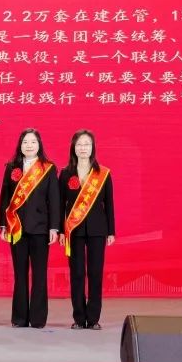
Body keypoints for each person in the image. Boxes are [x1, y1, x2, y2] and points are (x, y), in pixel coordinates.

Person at [0, 128, 60, 329]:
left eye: (33, 142)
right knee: (20, 274)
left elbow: (54, 199)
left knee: (39, 274)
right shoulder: (11, 167)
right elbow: (5, 198)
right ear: (20, 145)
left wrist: (54, 228)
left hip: (41, 228)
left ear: (39, 145)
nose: (29, 145)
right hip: (16, 227)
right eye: (25, 142)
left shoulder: (48, 168)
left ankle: (38, 318)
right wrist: (3, 224)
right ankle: (19, 318)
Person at [58, 129, 116, 330]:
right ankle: (78, 317)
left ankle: (93, 319)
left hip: (98, 230)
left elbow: (109, 204)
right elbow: (60, 204)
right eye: (79, 144)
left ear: (93, 148)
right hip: (73, 230)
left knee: (95, 273)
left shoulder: (103, 173)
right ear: (73, 148)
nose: (83, 148)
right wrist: (60, 231)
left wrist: (111, 231)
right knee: (76, 273)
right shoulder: (66, 173)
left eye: (87, 144)